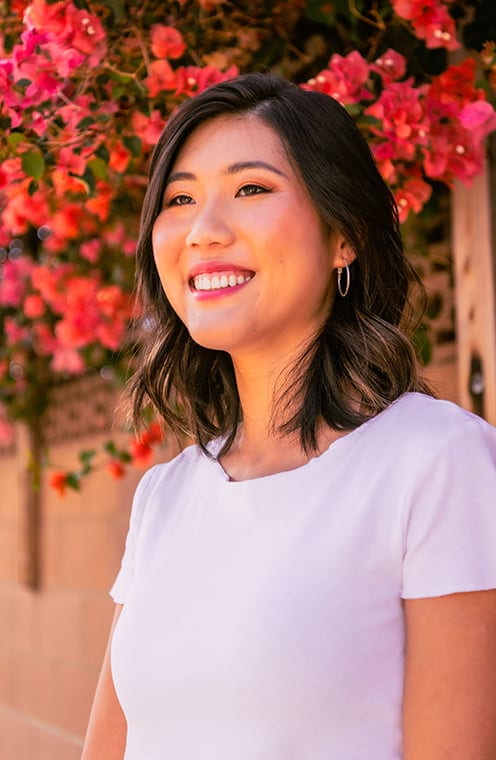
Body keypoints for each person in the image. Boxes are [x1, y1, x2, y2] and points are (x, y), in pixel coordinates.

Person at [81, 73, 496, 760]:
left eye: (251, 188)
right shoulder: (167, 495)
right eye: (180, 199)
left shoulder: (437, 461)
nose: (203, 232)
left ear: (345, 236)